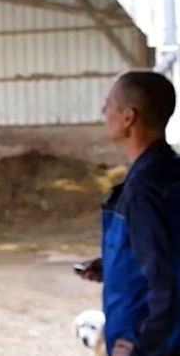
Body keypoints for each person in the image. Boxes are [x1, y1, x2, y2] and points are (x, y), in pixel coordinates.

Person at [78, 70, 180, 356]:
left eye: (109, 104)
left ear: (128, 117)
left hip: (150, 343)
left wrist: (143, 348)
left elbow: (168, 282)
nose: (103, 111)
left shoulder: (143, 190)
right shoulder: (168, 172)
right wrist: (114, 262)